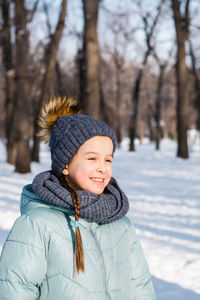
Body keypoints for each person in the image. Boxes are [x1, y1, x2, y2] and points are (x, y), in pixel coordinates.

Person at [0, 96, 156, 300]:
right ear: (65, 164)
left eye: (108, 159)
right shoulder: (38, 223)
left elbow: (140, 285)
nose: (102, 167)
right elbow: (15, 288)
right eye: (92, 158)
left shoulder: (120, 224)